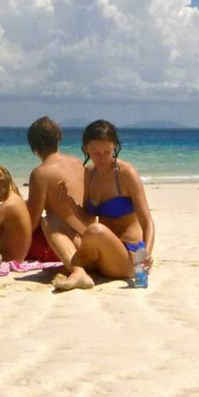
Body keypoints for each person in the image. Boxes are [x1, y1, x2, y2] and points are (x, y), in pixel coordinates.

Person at [54, 119, 155, 290]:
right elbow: (87, 219)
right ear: (86, 149)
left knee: (96, 230)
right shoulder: (90, 173)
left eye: (107, 152)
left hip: (127, 257)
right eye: (96, 153)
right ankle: (79, 271)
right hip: (101, 252)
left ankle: (76, 268)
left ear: (114, 146)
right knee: (51, 221)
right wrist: (69, 202)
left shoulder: (126, 174)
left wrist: (146, 253)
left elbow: (147, 222)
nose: (102, 159)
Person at [24, 117, 91, 276]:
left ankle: (76, 269)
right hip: (89, 238)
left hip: (71, 245)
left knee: (48, 220)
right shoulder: (76, 162)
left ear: (33, 144)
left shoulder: (40, 173)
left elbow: (33, 222)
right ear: (57, 138)